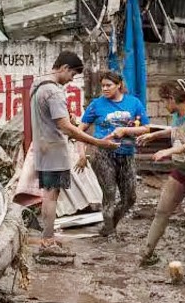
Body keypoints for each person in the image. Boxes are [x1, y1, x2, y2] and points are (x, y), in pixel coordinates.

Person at [31, 51, 120, 257]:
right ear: (64, 68)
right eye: (72, 75)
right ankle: (48, 242)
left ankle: (48, 239)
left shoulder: (37, 86)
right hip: (54, 150)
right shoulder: (54, 92)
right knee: (51, 196)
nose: (71, 80)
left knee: (50, 194)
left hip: (43, 149)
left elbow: (56, 120)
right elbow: (66, 128)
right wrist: (97, 142)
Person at [135, 79, 185, 267]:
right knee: (162, 211)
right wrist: (154, 135)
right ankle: (146, 254)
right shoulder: (179, 115)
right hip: (182, 170)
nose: (164, 105)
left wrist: (170, 151)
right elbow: (176, 130)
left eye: (164, 101)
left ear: (172, 99)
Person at [76, 71, 148, 238]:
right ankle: (110, 233)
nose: (105, 89)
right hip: (103, 155)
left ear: (119, 85)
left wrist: (125, 130)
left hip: (127, 155)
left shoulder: (134, 103)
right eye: (103, 86)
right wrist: (81, 155)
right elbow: (79, 131)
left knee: (130, 198)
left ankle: (109, 226)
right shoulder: (96, 104)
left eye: (108, 85)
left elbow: (146, 128)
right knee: (109, 193)